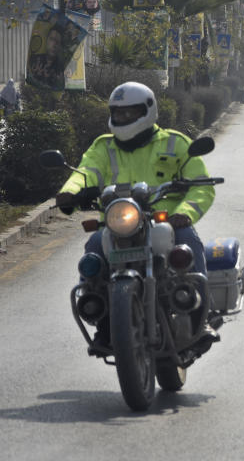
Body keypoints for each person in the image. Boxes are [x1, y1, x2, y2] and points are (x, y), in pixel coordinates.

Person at [54, 82, 218, 353]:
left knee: (188, 243)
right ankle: (100, 318)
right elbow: (85, 172)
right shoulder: (103, 146)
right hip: (119, 223)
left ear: (147, 111)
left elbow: (202, 185)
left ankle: (202, 316)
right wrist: (69, 192)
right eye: (118, 113)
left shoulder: (176, 143)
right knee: (94, 247)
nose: (123, 119)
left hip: (165, 221)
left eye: (130, 113)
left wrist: (184, 214)